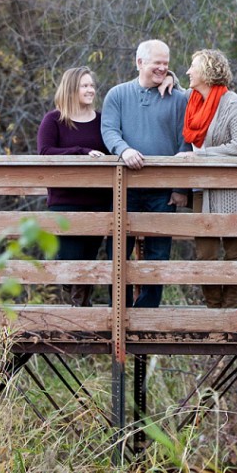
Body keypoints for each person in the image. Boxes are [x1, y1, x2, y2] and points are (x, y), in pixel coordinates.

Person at [101, 39, 189, 308]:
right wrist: (124, 150)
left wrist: (180, 188)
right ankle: (121, 311)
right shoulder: (117, 94)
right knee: (116, 252)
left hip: (163, 189)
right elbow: (109, 130)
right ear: (140, 63)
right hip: (124, 185)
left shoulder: (179, 98)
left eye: (166, 64)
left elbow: (186, 142)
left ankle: (146, 314)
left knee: (158, 254)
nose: (162, 68)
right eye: (157, 63)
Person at [176, 49, 237, 308]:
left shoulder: (232, 102)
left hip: (231, 189)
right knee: (205, 254)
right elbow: (176, 89)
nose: (188, 71)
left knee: (234, 251)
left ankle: (232, 311)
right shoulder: (192, 100)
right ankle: (214, 311)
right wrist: (167, 76)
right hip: (203, 189)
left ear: (208, 71)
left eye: (193, 66)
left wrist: (203, 155)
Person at [37, 66, 109, 307]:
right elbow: (45, 152)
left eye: (92, 85)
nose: (91, 90)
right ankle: (79, 303)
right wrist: (81, 152)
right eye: (85, 86)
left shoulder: (102, 120)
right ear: (71, 89)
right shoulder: (54, 120)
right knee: (69, 258)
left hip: (99, 202)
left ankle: (82, 311)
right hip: (64, 201)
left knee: (88, 257)